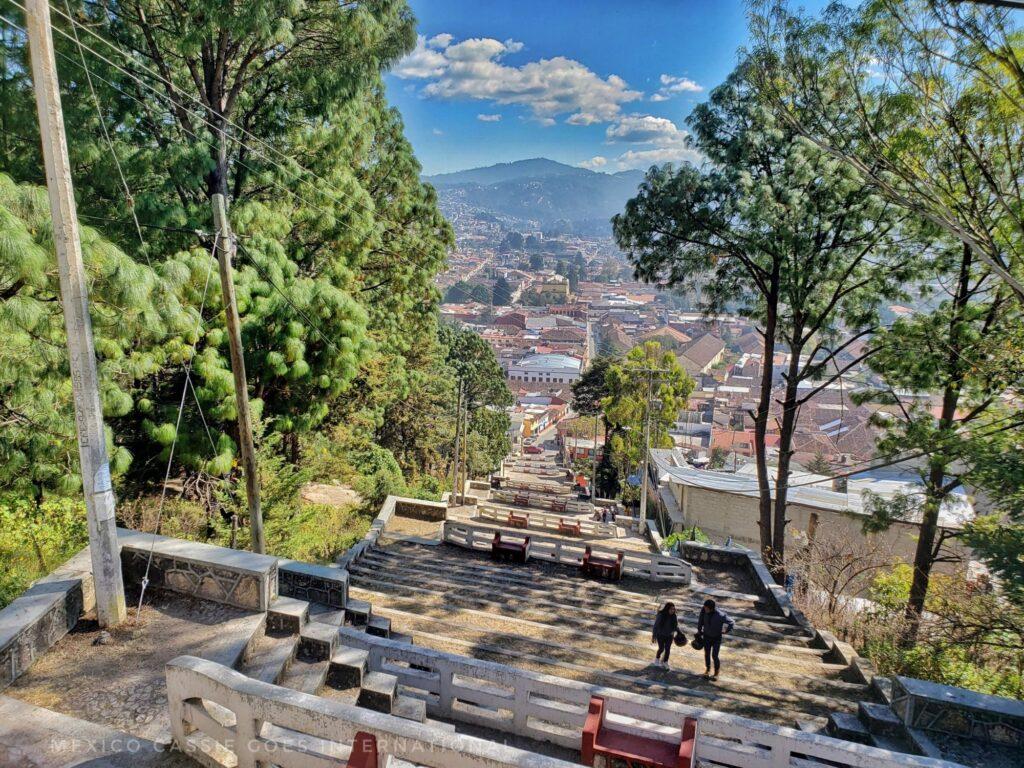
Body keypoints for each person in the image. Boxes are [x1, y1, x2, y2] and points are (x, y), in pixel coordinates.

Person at [697, 598, 733, 679]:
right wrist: (699, 631)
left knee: (714, 656)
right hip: (706, 636)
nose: (705, 609)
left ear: (712, 608)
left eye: (706, 608)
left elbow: (731, 622)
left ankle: (716, 673)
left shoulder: (720, 615)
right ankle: (708, 669)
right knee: (707, 654)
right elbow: (700, 621)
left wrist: (726, 630)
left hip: (716, 638)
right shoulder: (703, 610)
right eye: (704, 607)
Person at [651, 602, 679, 668]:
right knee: (661, 648)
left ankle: (665, 662)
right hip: (660, 635)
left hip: (669, 636)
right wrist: (654, 636)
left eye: (673, 609)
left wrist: (678, 632)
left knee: (667, 649)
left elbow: (676, 626)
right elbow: (655, 626)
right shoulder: (661, 615)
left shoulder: (674, 616)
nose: (672, 611)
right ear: (667, 609)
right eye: (671, 609)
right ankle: (657, 658)